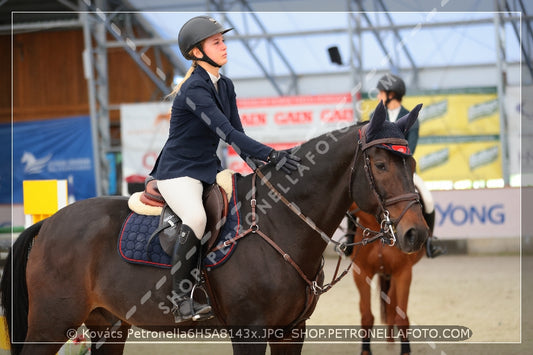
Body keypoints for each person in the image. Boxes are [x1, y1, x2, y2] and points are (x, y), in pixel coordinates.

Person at [149, 16, 300, 323]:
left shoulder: (225, 85)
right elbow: (227, 134)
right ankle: (181, 299)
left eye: (223, 40)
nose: (224, 46)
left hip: (206, 169)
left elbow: (238, 134)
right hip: (178, 172)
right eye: (216, 42)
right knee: (196, 217)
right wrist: (272, 155)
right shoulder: (193, 89)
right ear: (196, 52)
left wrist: (263, 169)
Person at [344, 73, 445, 258]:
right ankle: (349, 240)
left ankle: (430, 242)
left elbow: (410, 147)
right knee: (354, 197)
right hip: (380, 169)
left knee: (428, 199)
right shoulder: (375, 115)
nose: (377, 96)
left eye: (380, 92)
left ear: (391, 94)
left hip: (403, 169)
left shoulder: (409, 116)